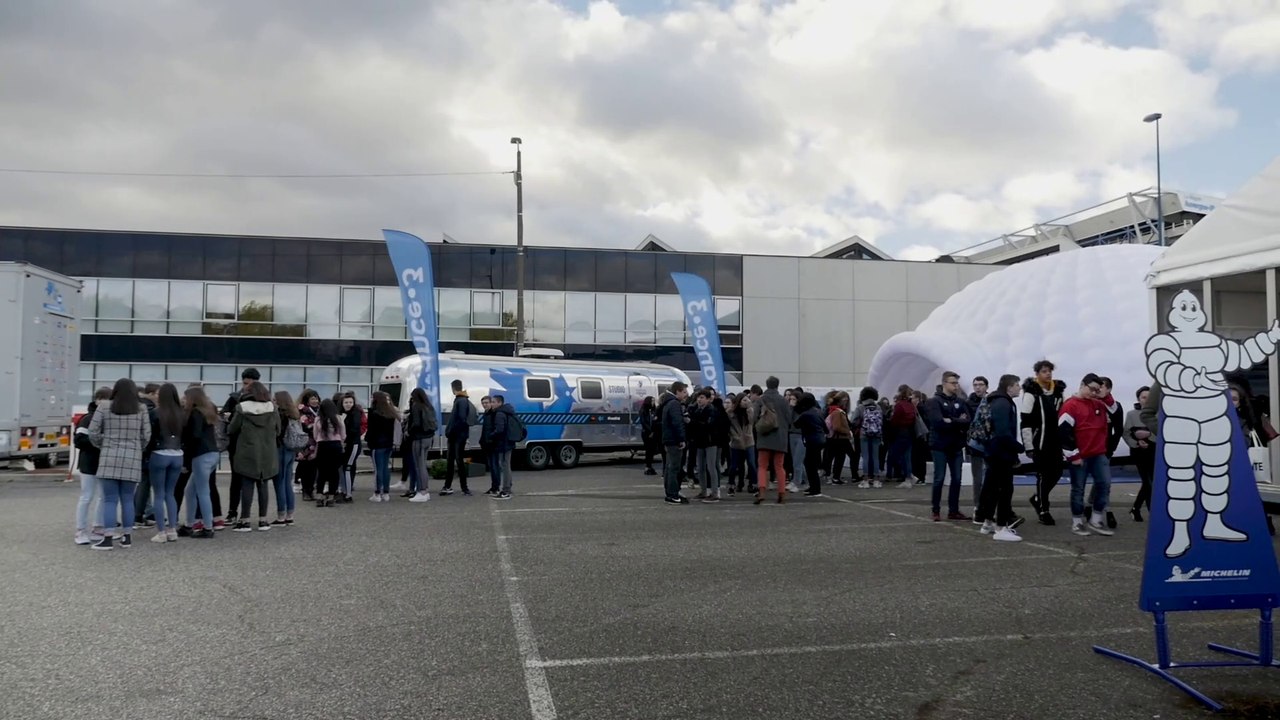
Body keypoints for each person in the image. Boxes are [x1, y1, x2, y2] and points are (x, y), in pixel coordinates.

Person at [88, 378, 151, 550]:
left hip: (109, 456)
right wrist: (136, 447)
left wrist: (104, 443)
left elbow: (92, 432)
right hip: (132, 457)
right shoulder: (142, 409)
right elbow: (146, 435)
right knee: (128, 499)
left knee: (109, 500)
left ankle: (107, 537)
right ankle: (127, 536)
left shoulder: (104, 407)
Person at [1059, 373, 1117, 537]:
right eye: (1092, 389)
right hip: (1080, 455)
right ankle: (1077, 522)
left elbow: (1114, 409)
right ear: (1082, 385)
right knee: (1078, 489)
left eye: (1097, 390)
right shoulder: (1070, 405)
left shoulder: (1098, 403)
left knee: (1104, 485)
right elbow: (1063, 432)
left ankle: (1096, 519)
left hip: (1098, 453)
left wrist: (1105, 395)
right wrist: (1073, 455)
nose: (1094, 392)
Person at [975, 375, 1023, 541]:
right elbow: (1003, 432)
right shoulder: (1003, 403)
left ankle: (987, 522)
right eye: (1017, 385)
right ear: (1009, 387)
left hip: (994, 451)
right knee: (1005, 489)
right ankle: (1001, 526)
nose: (1019, 388)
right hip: (1001, 453)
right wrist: (1018, 447)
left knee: (992, 488)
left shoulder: (996, 400)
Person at [228, 381, 280, 531]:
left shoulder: (241, 408)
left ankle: (245, 520)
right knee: (263, 483)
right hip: (267, 452)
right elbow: (278, 430)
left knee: (247, 484)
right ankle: (263, 520)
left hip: (247, 450)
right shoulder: (273, 408)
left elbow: (232, 429)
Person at [1021, 360, 1067, 525]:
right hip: (1039, 441)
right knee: (1042, 475)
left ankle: (1037, 498)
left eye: (1049, 371)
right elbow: (1025, 421)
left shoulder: (1058, 392)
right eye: (1044, 371)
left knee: (1057, 473)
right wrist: (1029, 446)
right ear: (1037, 374)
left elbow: (1064, 414)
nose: (1047, 374)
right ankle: (1043, 509)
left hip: (1055, 440)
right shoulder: (1031, 393)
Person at [924, 371, 971, 522]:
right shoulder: (934, 401)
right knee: (939, 478)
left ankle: (954, 510)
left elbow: (967, 421)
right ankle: (935, 510)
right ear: (944, 383)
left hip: (956, 445)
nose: (956, 386)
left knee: (957, 479)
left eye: (957, 383)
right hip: (939, 445)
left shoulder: (961, 402)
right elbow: (938, 422)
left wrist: (950, 420)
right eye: (953, 383)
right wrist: (957, 421)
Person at [179, 386, 221, 539]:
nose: (183, 400)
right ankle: (190, 524)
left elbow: (194, 436)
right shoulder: (207, 411)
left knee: (202, 491)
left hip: (200, 454)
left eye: (185, 397)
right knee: (191, 490)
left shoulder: (195, 413)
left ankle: (207, 527)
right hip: (212, 453)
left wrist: (185, 460)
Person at [147, 383, 185, 544]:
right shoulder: (183, 414)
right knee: (171, 493)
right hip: (178, 454)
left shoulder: (155, 413)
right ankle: (172, 529)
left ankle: (161, 532)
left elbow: (150, 436)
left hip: (159, 453)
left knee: (159, 494)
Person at [72, 387, 111, 545]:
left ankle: (98, 527)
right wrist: (100, 441)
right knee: (87, 496)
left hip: (105, 462)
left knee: (103, 496)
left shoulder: (110, 418)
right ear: (97, 400)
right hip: (89, 463)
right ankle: (80, 530)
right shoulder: (87, 419)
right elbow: (78, 440)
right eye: (106, 399)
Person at [752, 376, 791, 505]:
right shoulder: (784, 401)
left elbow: (754, 418)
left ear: (766, 385)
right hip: (780, 438)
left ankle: (762, 491)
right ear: (777, 385)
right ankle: (781, 493)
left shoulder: (761, 400)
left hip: (764, 436)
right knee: (779, 466)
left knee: (762, 466)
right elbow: (789, 419)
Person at [1124, 386, 1155, 522]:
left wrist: (1149, 435)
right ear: (1138, 399)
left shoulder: (1159, 413)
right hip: (1139, 452)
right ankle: (1152, 513)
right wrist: (1136, 442)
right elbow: (1126, 433)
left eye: (1149, 397)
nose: (1146, 400)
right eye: (1143, 397)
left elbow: (1163, 433)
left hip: (1154, 450)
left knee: (1150, 481)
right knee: (1148, 482)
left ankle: (1136, 508)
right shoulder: (1131, 414)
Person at [442, 379, 476, 496]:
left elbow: (460, 419)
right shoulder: (463, 399)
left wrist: (451, 431)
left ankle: (460, 487)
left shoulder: (460, 401)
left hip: (456, 436)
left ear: (453, 388)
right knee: (455, 460)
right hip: (459, 435)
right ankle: (454, 486)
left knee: (456, 461)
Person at [366, 391, 400, 502]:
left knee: (378, 469)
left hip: (377, 444)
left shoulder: (373, 413)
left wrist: (369, 442)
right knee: (385, 468)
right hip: (388, 444)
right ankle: (386, 493)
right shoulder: (391, 413)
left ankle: (377, 493)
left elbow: (371, 430)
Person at [658, 382, 690, 504]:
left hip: (668, 439)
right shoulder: (675, 404)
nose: (685, 395)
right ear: (677, 391)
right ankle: (672, 494)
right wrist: (681, 439)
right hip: (674, 440)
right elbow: (677, 423)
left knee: (669, 467)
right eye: (684, 392)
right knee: (674, 468)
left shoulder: (667, 403)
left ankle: (670, 492)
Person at [405, 388, 437, 502]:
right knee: (423, 465)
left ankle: (422, 491)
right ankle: (425, 491)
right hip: (429, 438)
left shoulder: (416, 406)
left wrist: (409, 431)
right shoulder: (429, 406)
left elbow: (416, 424)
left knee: (419, 466)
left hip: (418, 438)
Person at [313, 398, 347, 507]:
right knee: (334, 472)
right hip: (336, 446)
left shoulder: (318, 419)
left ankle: (319, 496)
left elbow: (315, 435)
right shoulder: (338, 418)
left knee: (322, 471)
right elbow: (343, 434)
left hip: (323, 446)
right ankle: (331, 497)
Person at [273, 391, 300, 523]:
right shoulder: (294, 415)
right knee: (287, 483)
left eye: (274, 399)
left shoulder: (279, 415)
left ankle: (281, 515)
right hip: (291, 450)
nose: (272, 401)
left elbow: (277, 433)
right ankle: (290, 514)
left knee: (279, 483)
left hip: (281, 449)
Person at [793, 392, 826, 497]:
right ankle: (814, 487)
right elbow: (825, 428)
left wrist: (793, 408)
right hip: (820, 439)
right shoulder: (819, 412)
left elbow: (795, 424)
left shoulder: (805, 414)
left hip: (812, 441)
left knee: (809, 464)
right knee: (812, 464)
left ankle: (815, 489)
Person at [850, 387, 883, 487]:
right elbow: (881, 421)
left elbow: (853, 421)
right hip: (876, 434)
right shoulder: (878, 407)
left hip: (864, 434)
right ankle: (876, 480)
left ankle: (865, 480)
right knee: (875, 457)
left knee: (866, 457)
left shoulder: (860, 407)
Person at [487, 394, 517, 499]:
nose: (492, 404)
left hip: (503, 444)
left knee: (505, 466)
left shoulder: (500, 414)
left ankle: (506, 491)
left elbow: (499, 430)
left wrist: (491, 435)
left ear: (500, 403)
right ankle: (508, 487)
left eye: (493, 402)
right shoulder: (507, 411)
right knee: (507, 466)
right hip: (508, 442)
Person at [887, 385, 917, 488]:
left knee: (896, 454)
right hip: (910, 432)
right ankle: (910, 476)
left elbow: (895, 420)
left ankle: (908, 477)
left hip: (900, 432)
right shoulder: (911, 405)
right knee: (907, 455)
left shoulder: (899, 405)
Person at [726, 394, 756, 494]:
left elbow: (752, 422)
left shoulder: (750, 411)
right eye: (744, 400)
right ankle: (732, 484)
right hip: (736, 442)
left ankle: (753, 484)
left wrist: (749, 406)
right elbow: (729, 428)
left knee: (751, 463)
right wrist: (735, 437)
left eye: (747, 400)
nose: (746, 402)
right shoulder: (730, 413)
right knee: (735, 465)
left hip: (749, 442)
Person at [338, 392, 365, 503]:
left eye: (350, 402)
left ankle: (348, 494)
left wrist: (343, 423)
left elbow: (354, 429)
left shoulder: (356, 413)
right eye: (346, 402)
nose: (348, 404)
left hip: (353, 444)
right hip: (343, 444)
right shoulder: (340, 413)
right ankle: (342, 490)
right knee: (342, 468)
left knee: (348, 468)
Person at [295, 389, 321, 502]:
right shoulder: (302, 410)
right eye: (312, 399)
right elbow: (304, 426)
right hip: (306, 443)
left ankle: (311, 490)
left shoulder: (320, 410)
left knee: (314, 468)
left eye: (316, 398)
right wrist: (315, 427)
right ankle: (306, 491)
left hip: (317, 443)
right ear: (307, 400)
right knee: (306, 467)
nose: (315, 401)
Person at [639, 396, 658, 476]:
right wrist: (650, 431)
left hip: (653, 432)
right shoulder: (643, 410)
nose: (653, 402)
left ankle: (650, 466)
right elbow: (643, 422)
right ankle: (648, 466)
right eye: (652, 401)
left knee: (652, 450)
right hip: (646, 432)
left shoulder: (654, 410)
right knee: (648, 449)